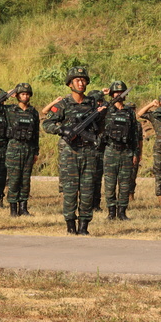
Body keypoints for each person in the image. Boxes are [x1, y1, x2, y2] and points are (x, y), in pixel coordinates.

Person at [42, 67, 103, 236]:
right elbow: (47, 124)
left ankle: (84, 225)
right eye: (77, 80)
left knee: (87, 189)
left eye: (83, 80)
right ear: (70, 84)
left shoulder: (92, 104)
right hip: (70, 153)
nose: (81, 83)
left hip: (89, 151)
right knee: (70, 190)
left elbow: (101, 126)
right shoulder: (63, 105)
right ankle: (70, 225)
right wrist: (62, 130)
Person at [100, 81, 141, 221]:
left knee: (125, 184)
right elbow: (92, 106)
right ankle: (111, 212)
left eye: (121, 92)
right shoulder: (106, 109)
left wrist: (136, 153)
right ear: (112, 94)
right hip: (111, 150)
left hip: (126, 151)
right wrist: (102, 94)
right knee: (110, 184)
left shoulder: (129, 112)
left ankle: (122, 212)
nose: (119, 94)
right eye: (116, 92)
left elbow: (135, 135)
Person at [5, 83, 40, 217]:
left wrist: (36, 151)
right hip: (14, 147)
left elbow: (36, 133)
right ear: (17, 96)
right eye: (22, 94)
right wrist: (9, 94)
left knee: (25, 180)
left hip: (29, 149)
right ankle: (13, 209)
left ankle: (23, 208)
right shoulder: (10, 110)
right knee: (14, 179)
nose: (25, 96)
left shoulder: (33, 112)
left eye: (27, 94)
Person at [137, 93, 161, 206]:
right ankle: (160, 199)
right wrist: (151, 104)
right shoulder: (155, 115)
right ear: (160, 104)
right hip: (159, 149)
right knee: (159, 175)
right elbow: (139, 114)